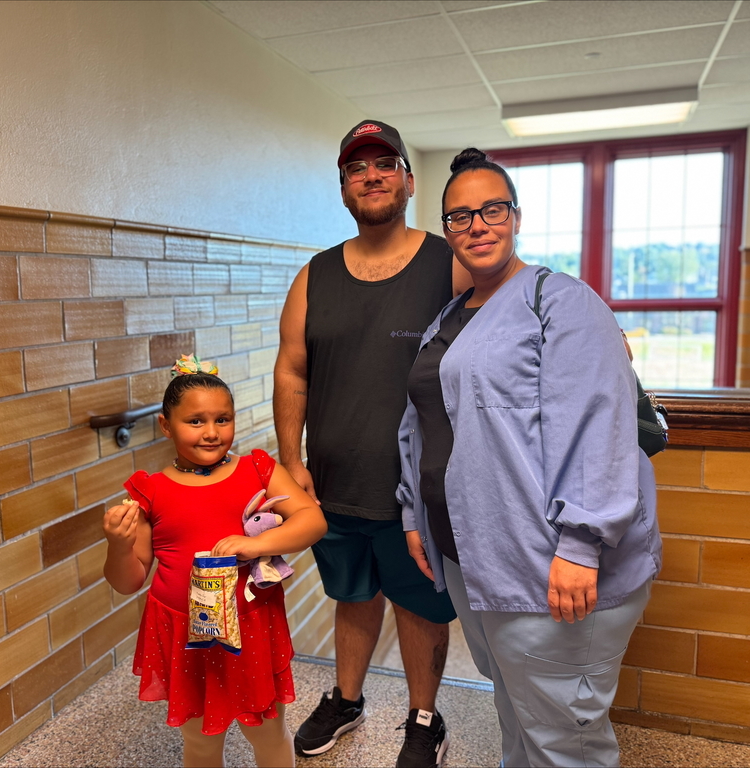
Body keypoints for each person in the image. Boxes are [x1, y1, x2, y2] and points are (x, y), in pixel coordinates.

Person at [397, 149, 662, 768]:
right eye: (460, 216)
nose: (478, 225)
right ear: (446, 231)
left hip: (549, 564)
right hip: (474, 555)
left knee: (565, 738)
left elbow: (601, 425)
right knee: (521, 711)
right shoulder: (451, 317)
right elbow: (422, 422)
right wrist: (415, 514)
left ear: (515, 217)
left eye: (492, 209)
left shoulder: (560, 301)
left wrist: (580, 543)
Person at [275, 119, 470, 767]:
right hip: (335, 483)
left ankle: (423, 718)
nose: (372, 176)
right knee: (352, 595)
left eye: (386, 164)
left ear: (410, 180)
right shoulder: (315, 276)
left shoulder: (450, 263)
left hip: (419, 488)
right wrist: (291, 460)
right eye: (357, 169)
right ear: (344, 189)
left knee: (418, 605)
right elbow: (292, 370)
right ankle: (348, 699)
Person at [103, 354, 327, 768]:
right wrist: (118, 544)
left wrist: (256, 544)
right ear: (166, 425)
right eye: (196, 422)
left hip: (250, 627)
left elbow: (313, 521)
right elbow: (128, 580)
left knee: (268, 731)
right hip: (185, 633)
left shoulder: (257, 469)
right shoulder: (149, 491)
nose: (211, 433)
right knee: (200, 739)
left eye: (223, 420)